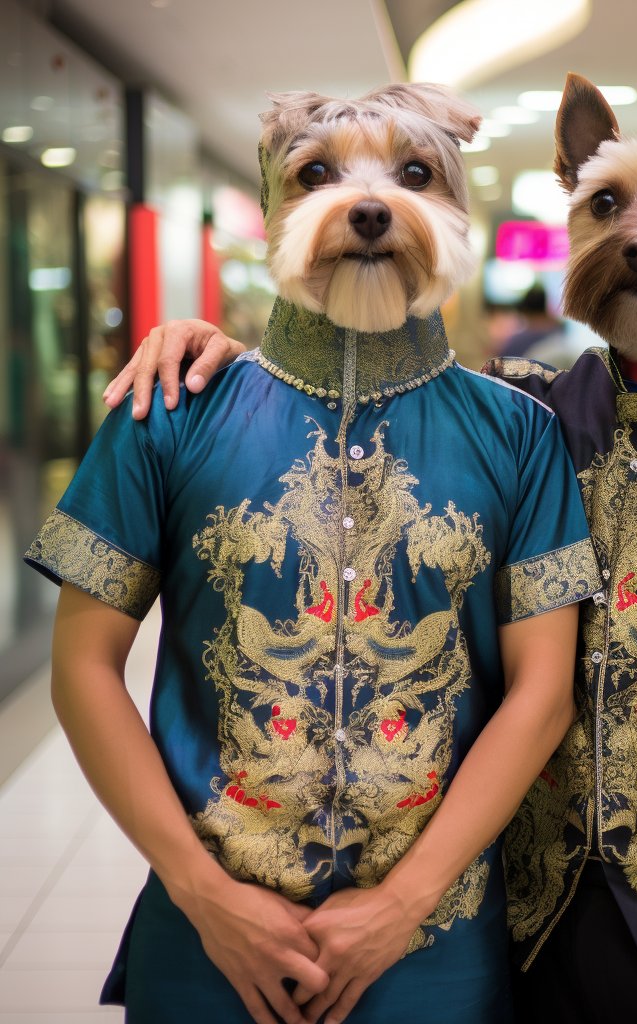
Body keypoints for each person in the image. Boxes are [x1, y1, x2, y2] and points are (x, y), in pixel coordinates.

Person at [25, 82, 603, 1024]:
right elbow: (82, 668)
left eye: (414, 174)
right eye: (316, 175)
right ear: (272, 210)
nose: (368, 203)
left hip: (435, 942)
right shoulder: (168, 413)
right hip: (208, 932)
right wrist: (203, 893)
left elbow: (543, 695)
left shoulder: (521, 436)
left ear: (456, 209)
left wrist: (403, 903)